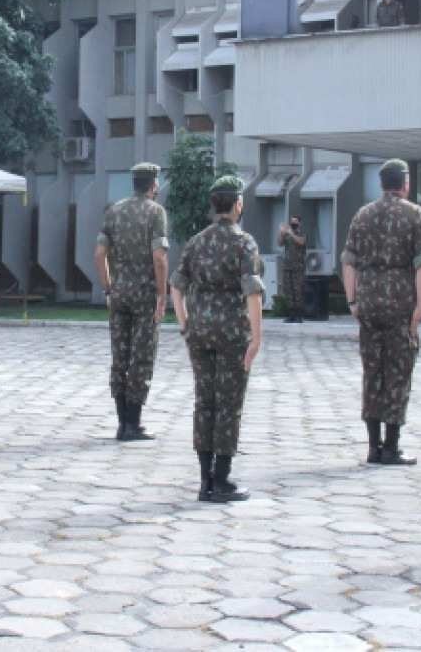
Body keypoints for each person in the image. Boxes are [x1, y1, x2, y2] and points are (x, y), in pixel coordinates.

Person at [170, 174, 264, 503]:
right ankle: (221, 480)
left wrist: (185, 323)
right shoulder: (244, 242)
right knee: (229, 404)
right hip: (231, 333)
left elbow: (176, 286)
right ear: (238, 204)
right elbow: (252, 292)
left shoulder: (195, 242)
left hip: (200, 331)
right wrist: (256, 336)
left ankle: (204, 479)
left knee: (204, 401)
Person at [341, 159, 421, 465]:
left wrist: (352, 301)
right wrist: (420, 306)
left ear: (381, 184)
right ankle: (392, 446)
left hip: (368, 302)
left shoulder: (363, 215)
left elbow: (348, 261)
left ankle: (373, 445)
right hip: (400, 304)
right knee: (398, 373)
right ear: (405, 183)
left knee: (372, 371)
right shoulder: (415, 215)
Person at [94, 162, 169, 440]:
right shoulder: (156, 212)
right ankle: (132, 424)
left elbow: (99, 255)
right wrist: (162, 295)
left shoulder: (114, 211)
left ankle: (120, 421)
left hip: (120, 293)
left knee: (120, 356)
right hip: (145, 294)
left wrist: (108, 288)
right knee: (142, 356)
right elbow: (159, 257)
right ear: (153, 184)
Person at [277, 215, 307, 323]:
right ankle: (291, 314)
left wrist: (291, 233)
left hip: (298, 267)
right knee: (288, 290)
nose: (293, 224)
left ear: (299, 223)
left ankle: (299, 315)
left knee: (297, 291)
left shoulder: (301, 234)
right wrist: (281, 232)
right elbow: (279, 243)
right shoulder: (287, 235)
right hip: (287, 266)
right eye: (291, 222)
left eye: (295, 222)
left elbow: (301, 242)